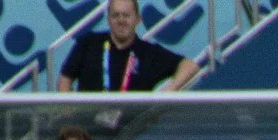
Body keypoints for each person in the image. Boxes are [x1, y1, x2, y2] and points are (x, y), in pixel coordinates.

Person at [57, 0, 198, 93]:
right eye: (115, 16)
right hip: (87, 130)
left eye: (126, 16)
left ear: (138, 19)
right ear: (108, 20)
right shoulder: (88, 43)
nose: (121, 20)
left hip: (131, 132)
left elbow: (190, 66)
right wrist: (71, 112)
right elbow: (64, 80)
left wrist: (168, 91)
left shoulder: (149, 53)